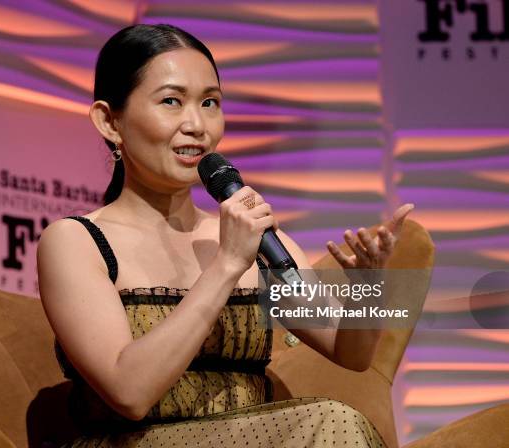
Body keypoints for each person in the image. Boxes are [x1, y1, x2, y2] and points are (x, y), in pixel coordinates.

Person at [37, 23, 413, 448]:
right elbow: (129, 393)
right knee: (330, 421)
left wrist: (370, 283)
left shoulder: (252, 237)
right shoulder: (75, 241)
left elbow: (352, 354)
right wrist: (228, 265)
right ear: (109, 121)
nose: (197, 125)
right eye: (171, 102)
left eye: (210, 102)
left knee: (332, 420)